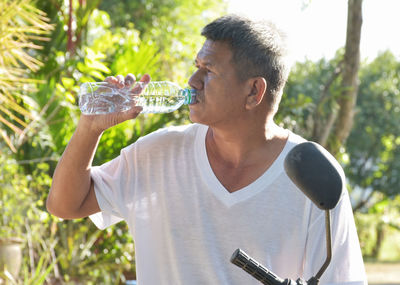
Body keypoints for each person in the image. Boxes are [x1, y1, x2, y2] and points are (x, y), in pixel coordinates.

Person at [47, 14, 367, 284]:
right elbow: (65, 204)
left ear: (254, 91)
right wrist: (89, 129)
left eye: (209, 71)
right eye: (196, 66)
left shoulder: (311, 175)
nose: (192, 80)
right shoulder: (157, 153)